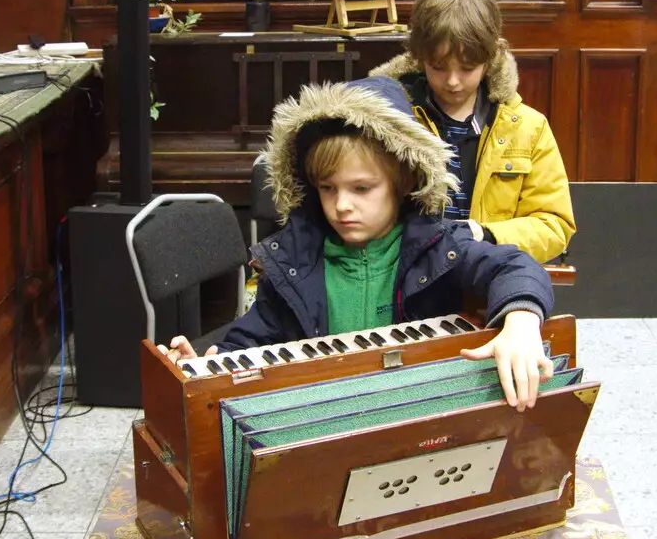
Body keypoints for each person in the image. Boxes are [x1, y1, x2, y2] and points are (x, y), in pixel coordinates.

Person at [160, 76, 557, 409]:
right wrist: (209, 366)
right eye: (327, 188)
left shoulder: (440, 246)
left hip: (413, 413)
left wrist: (521, 321)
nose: (341, 206)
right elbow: (254, 336)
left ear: (404, 182)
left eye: (362, 188)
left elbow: (517, 266)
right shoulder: (296, 261)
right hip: (323, 417)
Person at [370, 0, 575, 263]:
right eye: (438, 67)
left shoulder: (529, 127)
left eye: (467, 68)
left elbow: (554, 225)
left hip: (488, 272)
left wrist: (486, 234)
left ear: (491, 59)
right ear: (419, 59)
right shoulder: (385, 117)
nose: (452, 82)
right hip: (404, 274)